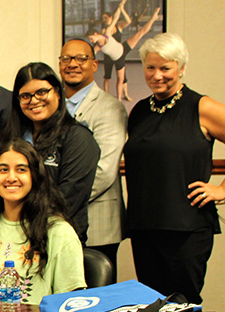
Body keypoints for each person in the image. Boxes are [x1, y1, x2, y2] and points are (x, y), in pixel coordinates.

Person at [125, 33, 225, 304]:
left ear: (181, 68)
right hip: (144, 227)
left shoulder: (202, 107)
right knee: (150, 306)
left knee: (182, 305)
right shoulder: (139, 111)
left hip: (186, 229)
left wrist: (223, 188)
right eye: (150, 67)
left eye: (166, 68)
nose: (157, 75)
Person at [0, 139, 86, 304]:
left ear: (34, 175)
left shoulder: (60, 232)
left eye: (21, 170)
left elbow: (69, 305)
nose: (11, 177)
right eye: (3, 170)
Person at [4, 62, 100, 243]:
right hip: (14, 237)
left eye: (41, 92)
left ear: (57, 92)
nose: (34, 101)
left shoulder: (78, 137)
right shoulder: (13, 139)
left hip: (58, 238)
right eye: (25, 96)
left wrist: (24, 224)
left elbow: (67, 198)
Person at [58, 39, 127, 275]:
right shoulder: (52, 106)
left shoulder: (110, 107)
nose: (72, 64)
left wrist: (55, 203)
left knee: (96, 303)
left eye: (81, 58)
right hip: (54, 224)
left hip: (97, 223)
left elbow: (105, 171)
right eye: (66, 59)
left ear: (95, 65)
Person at [88, 5, 162, 100]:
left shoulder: (107, 33)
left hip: (123, 47)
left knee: (140, 33)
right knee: (120, 80)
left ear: (95, 34)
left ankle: (153, 17)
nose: (92, 41)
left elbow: (115, 18)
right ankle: (118, 100)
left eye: (91, 38)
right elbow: (92, 54)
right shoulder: (98, 46)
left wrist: (121, 6)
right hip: (119, 59)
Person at [99, 0, 133, 100]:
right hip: (109, 56)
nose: (104, 20)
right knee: (107, 76)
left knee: (123, 77)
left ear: (110, 18)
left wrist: (121, 8)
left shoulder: (119, 26)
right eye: (103, 18)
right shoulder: (104, 31)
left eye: (105, 17)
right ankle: (106, 96)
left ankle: (125, 94)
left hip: (119, 54)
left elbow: (128, 21)